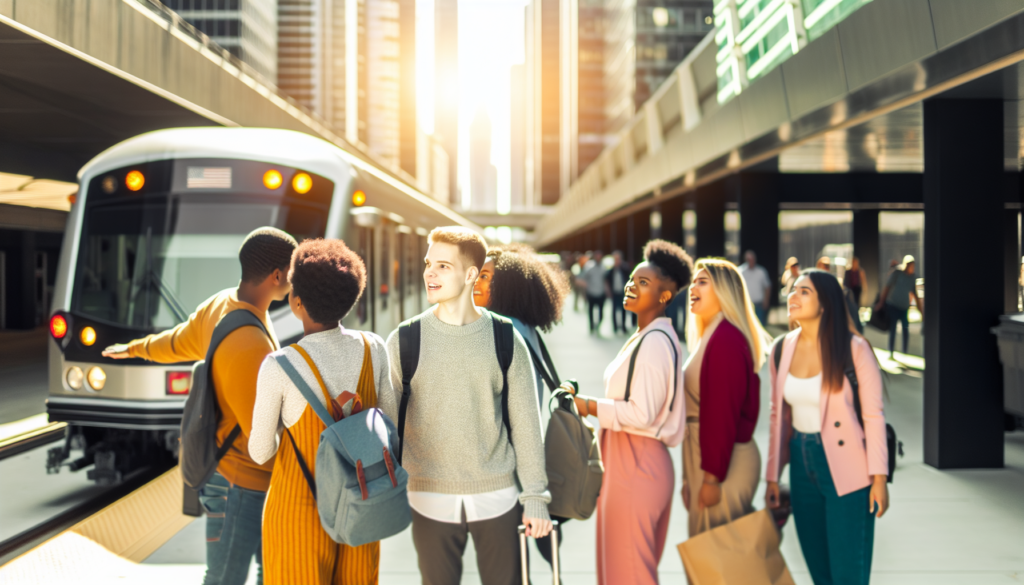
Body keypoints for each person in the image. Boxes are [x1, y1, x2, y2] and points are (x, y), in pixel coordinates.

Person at [102, 227, 297, 585]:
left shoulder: (222, 305)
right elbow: (261, 439)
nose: (294, 283)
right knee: (227, 577)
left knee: (265, 572)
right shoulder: (250, 343)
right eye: (293, 273)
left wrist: (135, 348)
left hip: (227, 475)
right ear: (277, 276)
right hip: (243, 484)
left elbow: (177, 342)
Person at [384, 227, 552, 585]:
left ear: (471, 274)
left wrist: (535, 494)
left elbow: (526, 423)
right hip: (427, 497)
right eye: (429, 263)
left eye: (443, 266)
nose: (430, 272)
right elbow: (386, 422)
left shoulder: (505, 338)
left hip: (498, 496)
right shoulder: (404, 339)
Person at [249, 238, 395, 584]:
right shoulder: (374, 348)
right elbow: (388, 425)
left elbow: (260, 451)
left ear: (297, 302)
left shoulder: (279, 365)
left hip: (298, 509)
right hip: (361, 505)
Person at [570, 239, 691, 585]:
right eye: (631, 280)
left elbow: (641, 414)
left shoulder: (654, 342)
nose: (630, 286)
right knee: (620, 567)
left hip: (637, 464)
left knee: (630, 572)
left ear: (665, 296)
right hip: (631, 461)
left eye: (643, 283)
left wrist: (588, 406)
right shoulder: (647, 336)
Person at [766, 269, 889, 585]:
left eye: (804, 291)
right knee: (819, 571)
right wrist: (772, 477)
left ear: (826, 303)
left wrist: (879, 479)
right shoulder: (781, 349)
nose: (793, 296)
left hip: (848, 467)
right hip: (801, 463)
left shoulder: (854, 349)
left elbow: (874, 416)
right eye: (792, 290)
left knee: (848, 573)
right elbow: (778, 416)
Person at [473, 243, 570, 570]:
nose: (475, 282)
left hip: (503, 474)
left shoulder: (501, 331)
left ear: (506, 287)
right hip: (517, 468)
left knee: (505, 567)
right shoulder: (522, 327)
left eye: (485, 276)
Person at [682, 258, 769, 537]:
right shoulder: (711, 334)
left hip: (723, 465)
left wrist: (711, 477)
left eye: (703, 281)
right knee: (711, 563)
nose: (693, 286)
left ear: (724, 292)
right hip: (710, 461)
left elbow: (720, 415)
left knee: (720, 566)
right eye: (694, 281)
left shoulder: (727, 339)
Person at [874, 254, 922, 357]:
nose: (912, 268)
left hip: (904, 308)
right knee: (893, 329)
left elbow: (915, 295)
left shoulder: (913, 278)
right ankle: (891, 351)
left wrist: (921, 310)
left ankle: (905, 351)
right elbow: (887, 287)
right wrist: (881, 302)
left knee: (905, 329)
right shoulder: (897, 274)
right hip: (894, 306)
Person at [577, 250, 607, 334]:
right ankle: (591, 328)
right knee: (590, 312)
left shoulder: (604, 267)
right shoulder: (589, 267)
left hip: (601, 293)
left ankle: (597, 326)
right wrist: (585, 288)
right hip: (591, 293)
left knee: (601, 313)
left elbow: (606, 280)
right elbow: (581, 278)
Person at [738, 250, 772, 326]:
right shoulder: (740, 271)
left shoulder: (761, 271)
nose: (751, 261)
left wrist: (766, 300)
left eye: (752, 259)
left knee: (760, 325)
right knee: (747, 326)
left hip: (759, 304)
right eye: (749, 259)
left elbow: (767, 286)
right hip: (746, 304)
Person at [605, 251, 631, 334]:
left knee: (624, 310)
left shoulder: (625, 269)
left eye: (618, 259)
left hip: (623, 293)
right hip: (614, 293)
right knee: (614, 310)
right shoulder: (610, 270)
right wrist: (608, 292)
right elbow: (606, 280)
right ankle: (615, 327)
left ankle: (623, 326)